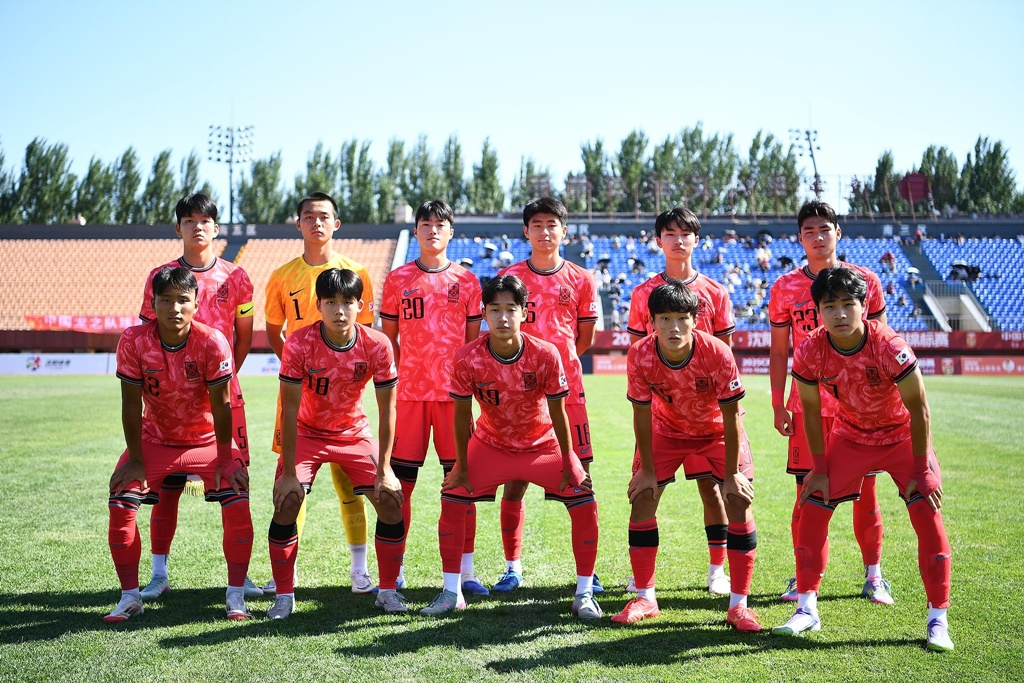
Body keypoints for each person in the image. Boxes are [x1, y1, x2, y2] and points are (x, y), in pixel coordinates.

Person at [773, 267, 953, 652]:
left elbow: (919, 409)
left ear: (864, 304)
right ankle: (807, 608)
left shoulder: (889, 345)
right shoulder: (809, 350)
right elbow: (810, 411)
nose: (839, 313)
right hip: (851, 434)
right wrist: (819, 469)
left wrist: (921, 469)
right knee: (812, 503)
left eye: (847, 304)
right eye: (829, 306)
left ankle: (938, 618)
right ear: (818, 311)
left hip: (901, 435)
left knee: (926, 510)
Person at [419, 275, 599, 619]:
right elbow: (461, 415)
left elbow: (559, 413)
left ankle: (585, 594)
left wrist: (570, 459)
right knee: (452, 497)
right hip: (491, 445)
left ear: (524, 313)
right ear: (484, 314)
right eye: (494, 309)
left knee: (584, 498)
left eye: (510, 309)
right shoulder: (467, 357)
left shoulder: (545, 353)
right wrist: (461, 465)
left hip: (542, 445)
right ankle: (451, 592)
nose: (503, 317)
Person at [106, 267, 252, 622]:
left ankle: (236, 595)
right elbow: (130, 405)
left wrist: (225, 458)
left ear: (196, 304)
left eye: (183, 300)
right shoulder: (133, 341)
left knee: (237, 496)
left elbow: (222, 406)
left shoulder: (213, 341)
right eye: (166, 300)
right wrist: (135, 460)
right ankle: (129, 596)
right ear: (153, 303)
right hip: (155, 439)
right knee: (121, 501)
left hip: (205, 441)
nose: (175, 308)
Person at [612, 281, 760, 632]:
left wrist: (731, 475)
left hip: (717, 431)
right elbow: (641, 415)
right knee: (643, 496)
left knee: (738, 500)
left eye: (681, 318)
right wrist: (647, 470)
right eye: (664, 318)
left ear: (695, 319)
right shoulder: (640, 354)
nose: (673, 327)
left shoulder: (717, 353)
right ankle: (646, 598)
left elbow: (731, 416)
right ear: (651, 321)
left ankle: (739, 606)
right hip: (666, 430)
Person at [135, 193, 261, 602]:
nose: (198, 227)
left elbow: (243, 338)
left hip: (222, 397)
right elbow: (146, 337)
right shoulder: (160, 276)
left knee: (234, 483)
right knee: (167, 487)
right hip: (169, 401)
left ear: (216, 227)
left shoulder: (236, 277)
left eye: (205, 220)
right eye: (189, 220)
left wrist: (220, 379)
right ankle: (158, 573)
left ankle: (240, 577)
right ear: (178, 228)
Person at [768, 200, 892, 603]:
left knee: (866, 494)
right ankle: (803, 579)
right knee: (807, 494)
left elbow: (882, 344)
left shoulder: (866, 281)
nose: (818, 237)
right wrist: (777, 403)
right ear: (799, 238)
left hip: (859, 407)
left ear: (838, 233)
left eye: (825, 229)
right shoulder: (784, 287)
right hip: (807, 407)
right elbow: (779, 352)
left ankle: (874, 575)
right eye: (809, 231)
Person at [267, 268, 405, 619]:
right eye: (330, 302)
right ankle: (283, 595)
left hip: (353, 433)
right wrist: (288, 472)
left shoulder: (377, 344)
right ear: (319, 305)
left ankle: (387, 591)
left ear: (360, 305)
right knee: (288, 500)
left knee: (391, 501)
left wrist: (386, 469)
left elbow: (388, 409)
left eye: (347, 302)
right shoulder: (299, 342)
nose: (339, 310)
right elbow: (289, 408)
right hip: (307, 432)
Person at [263, 192, 376, 594]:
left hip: (343, 401)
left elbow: (366, 334)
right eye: (309, 217)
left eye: (324, 217)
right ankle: (287, 573)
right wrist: (298, 371)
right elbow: (274, 332)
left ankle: (360, 569)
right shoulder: (282, 276)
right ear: (298, 224)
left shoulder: (357, 271)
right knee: (294, 483)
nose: (317, 223)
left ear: (336, 224)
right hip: (298, 398)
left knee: (350, 484)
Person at [625, 207, 735, 596]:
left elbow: (725, 354)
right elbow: (638, 353)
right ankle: (641, 578)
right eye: (670, 234)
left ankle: (718, 570)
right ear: (659, 241)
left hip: (709, 418)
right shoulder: (642, 293)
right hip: (662, 416)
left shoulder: (716, 293)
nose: (678, 240)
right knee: (645, 490)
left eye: (685, 233)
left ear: (696, 240)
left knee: (713, 490)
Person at [491, 197, 599, 593]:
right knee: (514, 479)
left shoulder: (581, 279)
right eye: (536, 224)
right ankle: (512, 567)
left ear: (564, 231)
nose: (544, 231)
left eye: (552, 224)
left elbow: (584, 339)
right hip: (518, 394)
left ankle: (588, 573)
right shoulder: (509, 276)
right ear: (526, 231)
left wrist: (557, 366)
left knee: (580, 477)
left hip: (568, 392)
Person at [380, 199, 486, 595]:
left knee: (461, 483)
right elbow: (389, 339)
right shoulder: (398, 279)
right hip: (409, 396)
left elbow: (471, 345)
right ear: (417, 231)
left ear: (451, 232)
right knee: (399, 486)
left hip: (454, 399)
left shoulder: (468, 281)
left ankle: (467, 573)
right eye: (425, 224)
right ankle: (395, 568)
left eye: (440, 224)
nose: (432, 230)